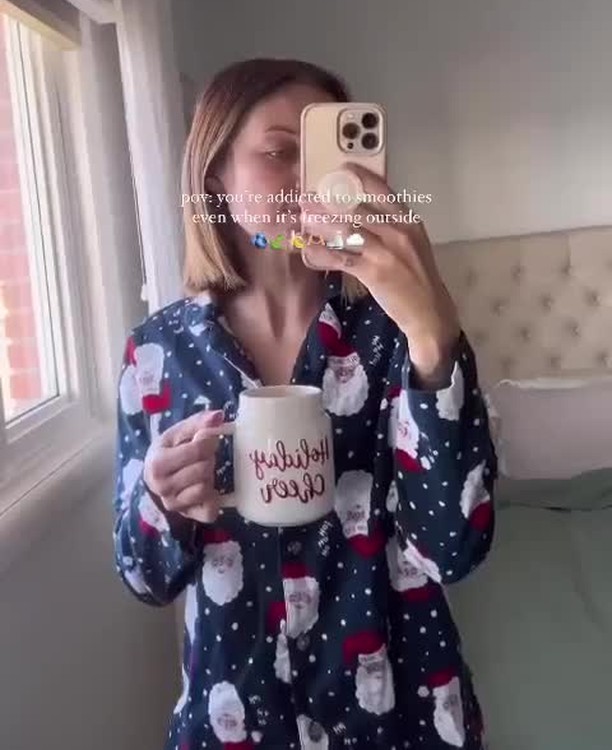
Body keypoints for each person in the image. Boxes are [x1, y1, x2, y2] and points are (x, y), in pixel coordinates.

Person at [113, 57, 497, 750]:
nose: (312, 178)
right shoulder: (157, 353)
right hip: (234, 718)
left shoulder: (398, 335)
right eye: (279, 151)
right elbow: (144, 578)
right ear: (215, 176)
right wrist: (163, 503)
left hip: (400, 715)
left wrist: (433, 333)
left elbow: (455, 548)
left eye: (326, 155)